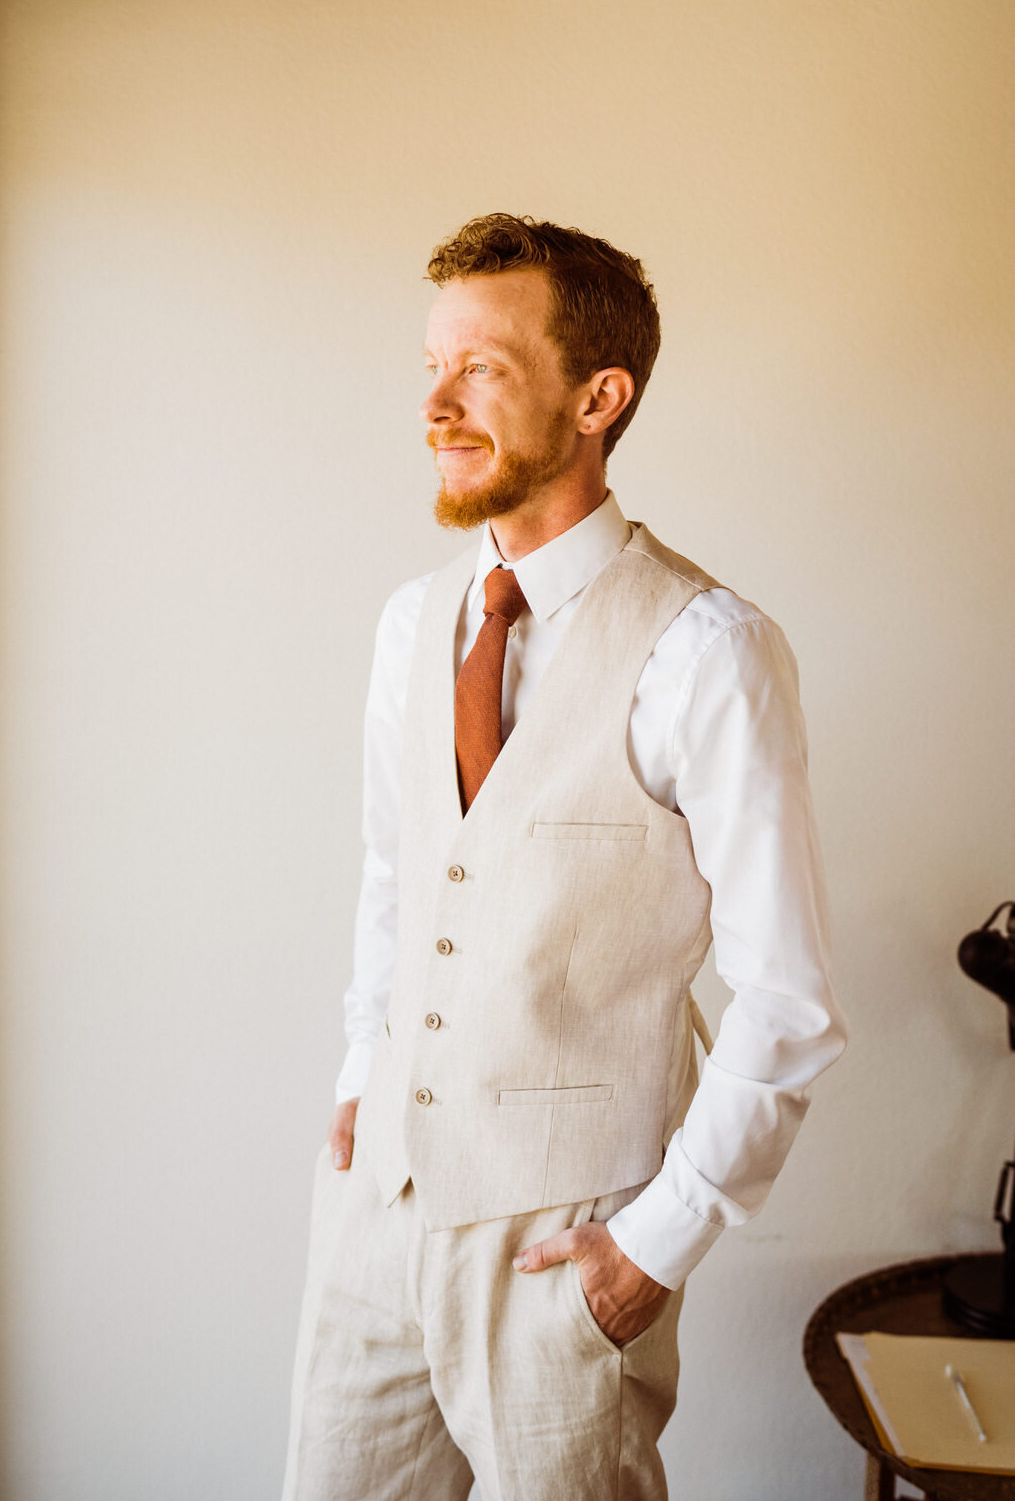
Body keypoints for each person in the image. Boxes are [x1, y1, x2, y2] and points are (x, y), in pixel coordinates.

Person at [280, 213, 848, 1501]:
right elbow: (396, 872)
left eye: (480, 367)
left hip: (563, 1245)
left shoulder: (711, 651)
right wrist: (369, 1063)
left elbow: (790, 1003)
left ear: (600, 397)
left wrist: (658, 1243)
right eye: (431, 364)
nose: (435, 402)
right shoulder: (412, 623)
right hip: (375, 1218)